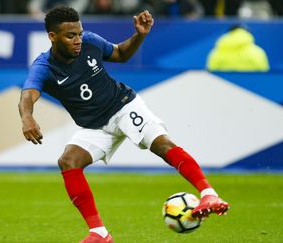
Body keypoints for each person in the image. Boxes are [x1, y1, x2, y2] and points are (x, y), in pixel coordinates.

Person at [18, 6, 229, 243]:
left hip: (124, 106)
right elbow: (28, 94)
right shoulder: (44, 67)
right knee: (68, 161)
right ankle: (99, 233)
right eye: (70, 36)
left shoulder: (90, 42)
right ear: (52, 37)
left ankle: (209, 194)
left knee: (161, 145)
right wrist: (27, 118)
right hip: (95, 126)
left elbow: (120, 54)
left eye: (79, 33)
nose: (78, 40)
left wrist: (140, 35)